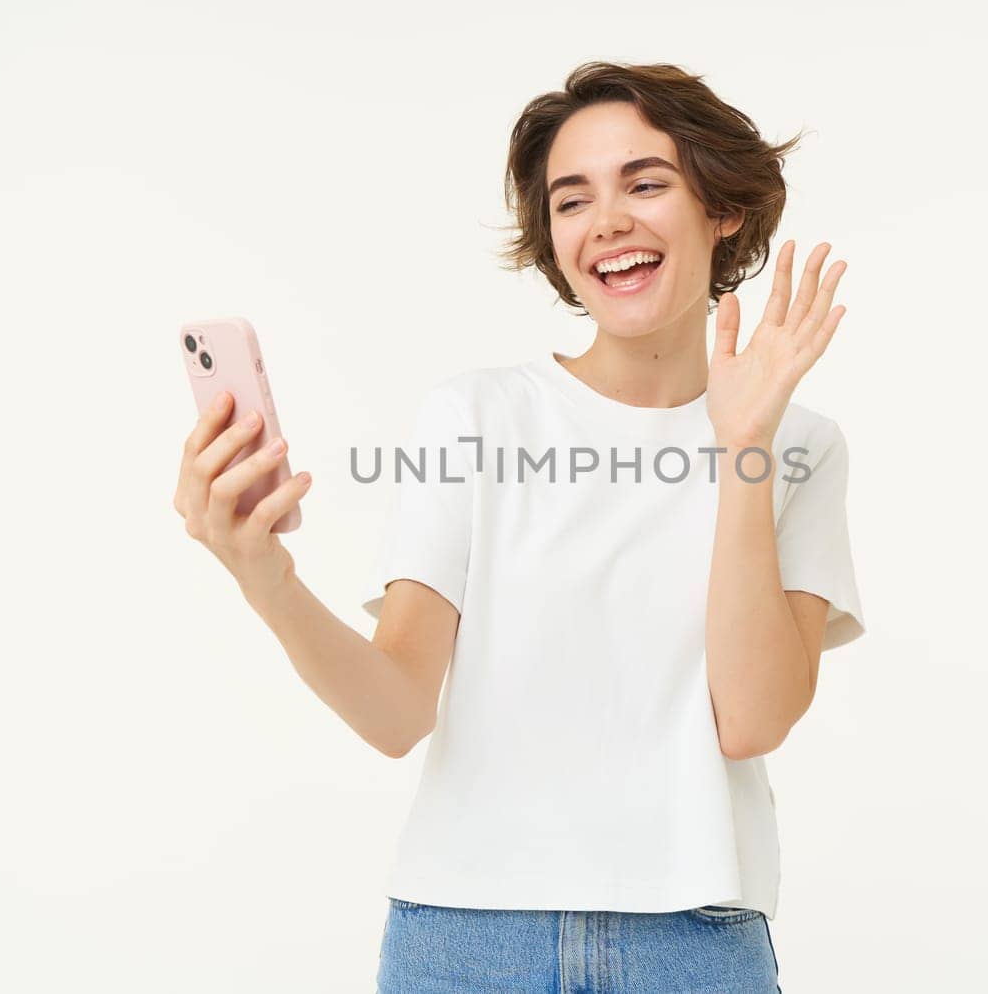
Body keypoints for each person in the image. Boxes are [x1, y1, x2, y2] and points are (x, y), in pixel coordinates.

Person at [173, 61, 866, 993]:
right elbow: (394, 710)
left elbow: (750, 719)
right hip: (466, 942)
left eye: (646, 183)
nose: (607, 221)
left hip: (696, 943)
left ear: (722, 211)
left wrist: (742, 446)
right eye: (572, 200)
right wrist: (262, 572)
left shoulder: (799, 447)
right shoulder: (478, 418)